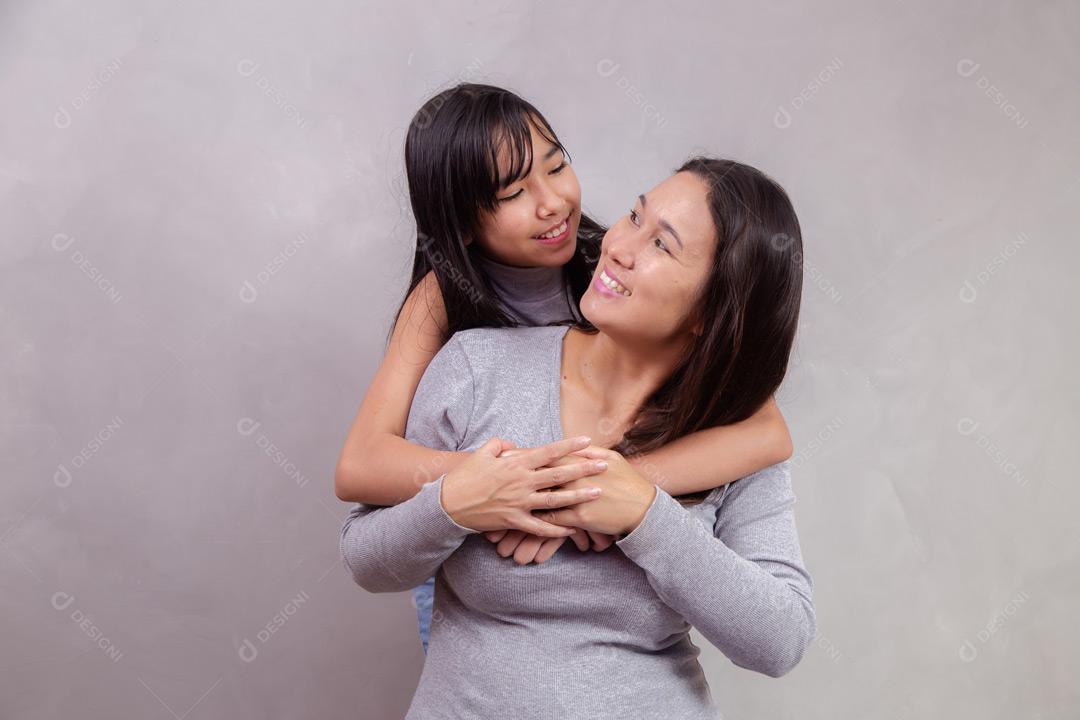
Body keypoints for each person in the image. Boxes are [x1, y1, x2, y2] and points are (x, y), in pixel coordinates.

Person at [341, 158, 815, 718]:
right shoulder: (478, 365)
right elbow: (366, 561)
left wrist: (642, 512)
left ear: (710, 313)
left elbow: (780, 640)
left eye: (662, 245)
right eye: (635, 215)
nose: (618, 245)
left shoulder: (729, 437)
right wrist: (457, 502)